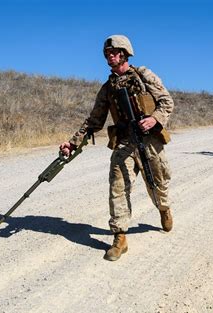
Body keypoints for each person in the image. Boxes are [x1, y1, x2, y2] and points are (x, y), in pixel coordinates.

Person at [60, 35, 174, 261]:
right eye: (106, 53)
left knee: (158, 183)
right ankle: (120, 237)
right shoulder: (108, 88)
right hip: (124, 142)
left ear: (124, 53)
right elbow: (94, 120)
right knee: (118, 186)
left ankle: (164, 208)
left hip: (150, 139)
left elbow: (167, 101)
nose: (109, 56)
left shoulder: (144, 75)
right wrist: (72, 142)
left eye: (113, 52)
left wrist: (154, 119)